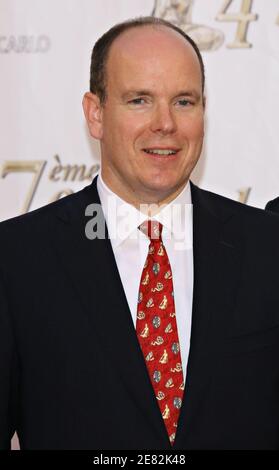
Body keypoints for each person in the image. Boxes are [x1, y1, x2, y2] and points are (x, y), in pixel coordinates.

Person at [1, 16, 279, 451]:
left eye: (184, 101)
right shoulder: (15, 261)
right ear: (96, 114)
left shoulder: (268, 249)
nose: (165, 124)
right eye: (140, 101)